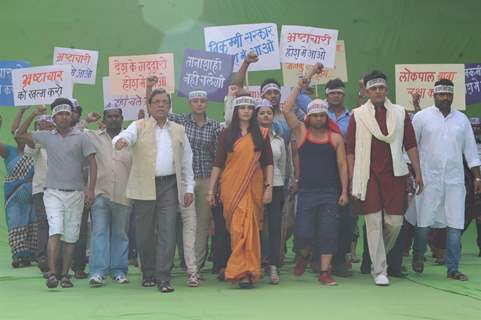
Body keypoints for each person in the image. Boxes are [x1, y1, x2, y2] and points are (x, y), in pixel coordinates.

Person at [345, 71, 423, 286]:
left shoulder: (400, 113)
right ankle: (379, 270)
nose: (378, 91)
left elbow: (411, 144)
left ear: (386, 90)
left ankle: (376, 256)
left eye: (382, 87)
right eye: (374, 88)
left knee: (395, 223)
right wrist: (353, 176)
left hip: (395, 175)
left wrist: (418, 172)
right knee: (373, 224)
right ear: (368, 91)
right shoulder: (358, 114)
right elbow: (350, 148)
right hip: (367, 176)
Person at [113, 88, 194, 293]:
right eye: (156, 101)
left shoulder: (178, 129)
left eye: (164, 102)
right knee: (144, 233)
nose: (160, 105)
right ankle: (148, 273)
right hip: (144, 185)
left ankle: (163, 277)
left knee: (168, 230)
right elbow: (126, 136)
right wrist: (120, 141)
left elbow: (186, 161)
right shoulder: (138, 126)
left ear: (169, 106)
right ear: (149, 106)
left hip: (169, 185)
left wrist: (189, 188)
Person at [16, 99, 97, 289]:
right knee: (55, 230)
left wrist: (91, 190)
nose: (64, 117)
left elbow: (93, 163)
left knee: (70, 237)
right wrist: (34, 113)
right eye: (60, 114)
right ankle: (53, 274)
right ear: (53, 118)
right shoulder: (46, 137)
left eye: (67, 113)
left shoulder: (82, 137)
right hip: (52, 193)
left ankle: (65, 275)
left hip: (76, 193)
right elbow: (20, 135)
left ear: (71, 116)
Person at [147, 78, 221, 284]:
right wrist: (149, 88)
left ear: (207, 104)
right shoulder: (180, 122)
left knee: (201, 225)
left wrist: (215, 184)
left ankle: (196, 267)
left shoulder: (214, 125)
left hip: (205, 178)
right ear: (190, 104)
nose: (199, 104)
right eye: (195, 101)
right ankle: (184, 265)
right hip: (182, 181)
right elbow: (153, 110)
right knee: (181, 223)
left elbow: (218, 155)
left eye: (202, 101)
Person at [283, 64, 349, 286]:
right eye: (315, 115)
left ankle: (324, 272)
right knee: (303, 233)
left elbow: (342, 165)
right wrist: (304, 80)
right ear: (309, 117)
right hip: (307, 191)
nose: (319, 118)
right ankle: (303, 255)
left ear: (326, 117)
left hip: (330, 191)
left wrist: (344, 192)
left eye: (322, 115)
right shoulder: (302, 132)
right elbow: (286, 109)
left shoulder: (335, 138)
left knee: (329, 232)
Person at [411, 79, 481, 281]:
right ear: (434, 95)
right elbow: (411, 148)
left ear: (452, 95)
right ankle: (418, 256)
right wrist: (414, 173)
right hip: (427, 179)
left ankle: (452, 268)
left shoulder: (462, 120)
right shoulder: (422, 118)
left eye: (448, 94)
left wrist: (477, 177)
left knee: (455, 223)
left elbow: (471, 151)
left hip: (454, 181)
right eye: (441, 94)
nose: (445, 98)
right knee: (424, 222)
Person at [208, 94, 273, 289]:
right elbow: (218, 164)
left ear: (253, 112)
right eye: (242, 107)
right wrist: (211, 190)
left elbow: (268, 163)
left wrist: (268, 188)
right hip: (231, 187)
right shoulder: (226, 134)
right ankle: (239, 270)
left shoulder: (261, 134)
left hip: (254, 187)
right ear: (236, 111)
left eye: (249, 107)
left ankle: (247, 272)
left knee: (250, 229)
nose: (246, 110)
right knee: (237, 230)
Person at [85, 102, 132, 287]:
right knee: (99, 233)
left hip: (124, 193)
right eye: (109, 116)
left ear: (122, 119)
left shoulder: (130, 138)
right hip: (100, 193)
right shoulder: (92, 136)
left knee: (120, 234)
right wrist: (86, 120)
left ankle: (119, 271)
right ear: (104, 120)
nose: (113, 119)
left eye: (116, 116)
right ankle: (98, 272)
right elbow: (74, 131)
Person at [1, 108, 37, 268]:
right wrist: (22, 111)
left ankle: (33, 255)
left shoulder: (36, 152)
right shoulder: (9, 152)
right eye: (18, 136)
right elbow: (14, 130)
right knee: (16, 224)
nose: (20, 137)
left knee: (34, 224)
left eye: (23, 135)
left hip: (34, 195)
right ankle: (18, 256)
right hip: (14, 198)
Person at [256, 98, 286, 284]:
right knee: (255, 227)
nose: (266, 115)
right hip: (254, 187)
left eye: (269, 112)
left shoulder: (279, 138)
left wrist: (281, 182)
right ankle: (256, 264)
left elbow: (282, 165)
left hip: (276, 186)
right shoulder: (249, 137)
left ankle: (273, 266)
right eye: (261, 113)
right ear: (255, 116)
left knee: (275, 228)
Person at [23, 114, 55, 274]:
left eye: (49, 124)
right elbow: (29, 151)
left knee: (58, 224)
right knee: (44, 222)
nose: (46, 127)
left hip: (59, 189)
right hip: (41, 189)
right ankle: (42, 256)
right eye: (42, 125)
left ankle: (56, 257)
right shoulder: (35, 142)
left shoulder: (60, 139)